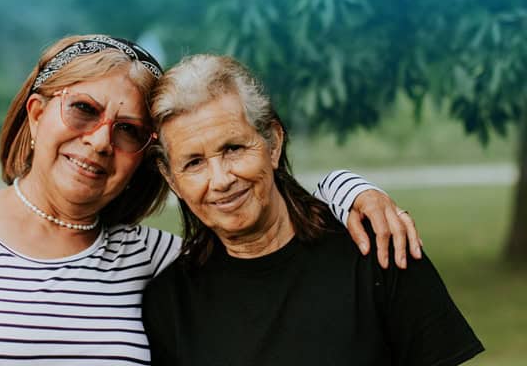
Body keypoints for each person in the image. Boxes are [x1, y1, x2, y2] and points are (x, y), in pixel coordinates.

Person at [0, 35, 420, 366]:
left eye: (127, 130)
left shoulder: (151, 260)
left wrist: (348, 189)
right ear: (37, 111)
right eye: (84, 110)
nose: (99, 141)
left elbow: (250, 202)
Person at [141, 54, 484, 365]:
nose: (220, 180)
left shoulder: (379, 249)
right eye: (194, 163)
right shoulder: (169, 304)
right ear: (172, 179)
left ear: (272, 144)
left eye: (232, 148)